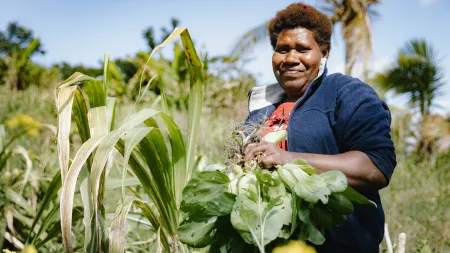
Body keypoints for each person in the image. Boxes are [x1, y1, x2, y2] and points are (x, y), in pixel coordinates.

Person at [242, 3, 396, 253]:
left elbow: (376, 165)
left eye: (302, 49)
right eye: (282, 49)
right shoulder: (261, 109)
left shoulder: (346, 93)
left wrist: (287, 159)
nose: (291, 58)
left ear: (323, 53)